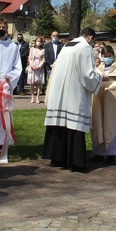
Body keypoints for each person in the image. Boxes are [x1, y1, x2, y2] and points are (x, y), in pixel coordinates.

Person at [42, 27, 102, 172]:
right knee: (74, 125)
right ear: (90, 38)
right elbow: (87, 74)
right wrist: (99, 78)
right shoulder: (85, 47)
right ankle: (76, 161)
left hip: (60, 91)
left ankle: (58, 158)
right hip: (75, 92)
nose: (93, 44)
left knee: (60, 124)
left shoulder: (68, 45)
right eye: (94, 41)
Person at [0, 15, 22, 163]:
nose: (1, 30)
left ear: (7, 29)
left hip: (6, 86)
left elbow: (18, 67)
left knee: (4, 115)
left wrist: (9, 78)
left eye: (3, 28)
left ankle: (2, 142)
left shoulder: (13, 47)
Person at [90, 44, 116, 163]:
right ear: (101, 56)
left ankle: (112, 152)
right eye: (105, 56)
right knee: (99, 124)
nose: (107, 58)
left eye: (109, 56)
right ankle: (99, 153)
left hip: (112, 103)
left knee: (112, 125)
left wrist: (107, 88)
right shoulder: (98, 69)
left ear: (113, 56)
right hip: (99, 100)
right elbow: (94, 80)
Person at [27, 36, 46, 103]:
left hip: (39, 67)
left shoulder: (43, 50)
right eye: (37, 41)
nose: (38, 43)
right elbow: (30, 58)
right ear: (35, 42)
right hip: (32, 66)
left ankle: (38, 97)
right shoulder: (32, 49)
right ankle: (32, 97)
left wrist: (39, 66)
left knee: (38, 83)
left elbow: (44, 59)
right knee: (31, 82)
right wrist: (32, 65)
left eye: (40, 41)